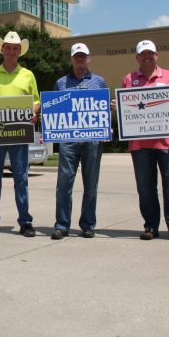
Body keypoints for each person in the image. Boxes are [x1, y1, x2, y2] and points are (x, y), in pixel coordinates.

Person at [120, 40, 169, 243]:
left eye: (150, 53)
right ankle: (151, 226)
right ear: (137, 57)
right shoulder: (129, 79)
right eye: (143, 54)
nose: (147, 57)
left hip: (168, 143)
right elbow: (127, 109)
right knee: (145, 188)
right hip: (140, 144)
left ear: (156, 55)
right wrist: (119, 106)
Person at [0, 31, 40, 237]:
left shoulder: (28, 75)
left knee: (21, 178)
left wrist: (34, 112)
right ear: (2, 50)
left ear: (20, 51)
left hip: (19, 134)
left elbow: (36, 101)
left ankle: (25, 222)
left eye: (15, 48)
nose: (11, 51)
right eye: (8, 47)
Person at [51, 43, 107, 240]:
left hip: (92, 141)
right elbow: (53, 109)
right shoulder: (61, 83)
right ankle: (62, 225)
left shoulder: (100, 82)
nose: (80, 59)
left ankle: (88, 225)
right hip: (68, 140)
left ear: (89, 58)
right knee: (64, 183)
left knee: (91, 183)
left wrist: (106, 124)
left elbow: (104, 109)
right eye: (77, 56)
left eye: (83, 56)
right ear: (72, 59)